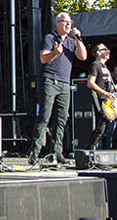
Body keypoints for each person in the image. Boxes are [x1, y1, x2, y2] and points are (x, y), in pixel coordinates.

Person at [27, 12, 87, 165]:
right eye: (65, 22)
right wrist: (55, 53)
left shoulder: (72, 41)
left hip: (64, 83)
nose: (68, 25)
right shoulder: (49, 38)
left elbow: (83, 56)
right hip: (50, 80)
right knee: (45, 116)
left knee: (61, 119)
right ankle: (35, 151)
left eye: (70, 22)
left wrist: (78, 38)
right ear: (57, 23)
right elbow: (43, 58)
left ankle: (56, 152)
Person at [85, 43, 117, 150]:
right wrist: (105, 93)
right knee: (100, 129)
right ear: (98, 53)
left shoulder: (105, 67)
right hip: (102, 100)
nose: (108, 51)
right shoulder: (95, 65)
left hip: (110, 101)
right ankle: (87, 152)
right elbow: (90, 83)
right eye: (104, 49)